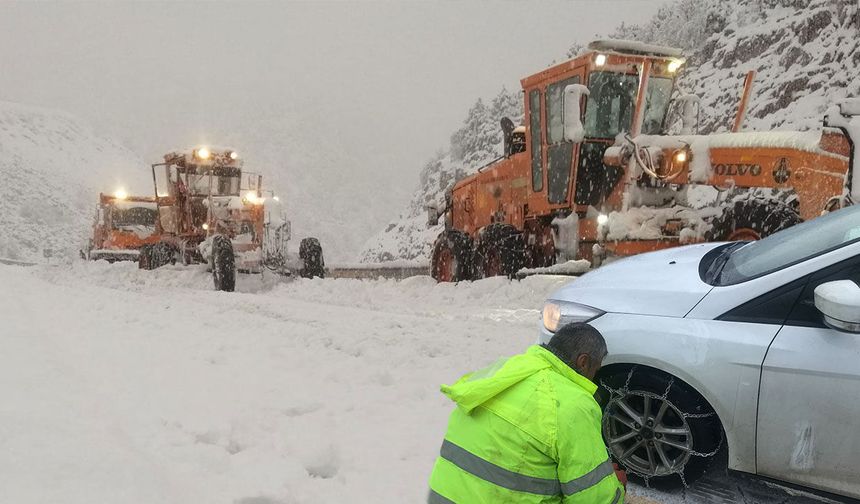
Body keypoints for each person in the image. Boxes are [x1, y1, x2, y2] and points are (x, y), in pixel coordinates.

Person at [428, 322, 626, 503]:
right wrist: (614, 484)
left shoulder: (504, 370)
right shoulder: (573, 404)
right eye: (595, 370)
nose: (594, 378)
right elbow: (595, 499)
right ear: (583, 362)